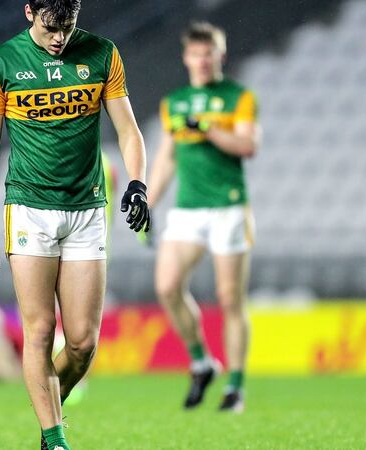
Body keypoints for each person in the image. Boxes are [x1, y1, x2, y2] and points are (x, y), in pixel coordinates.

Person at [0, 1, 149, 448]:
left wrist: (137, 183)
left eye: (68, 27)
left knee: (83, 343)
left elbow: (127, 128)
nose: (59, 37)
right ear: (29, 12)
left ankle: (49, 411)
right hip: (29, 208)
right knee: (41, 330)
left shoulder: (102, 53)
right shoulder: (1, 63)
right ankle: (54, 437)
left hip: (87, 208)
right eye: (51, 27)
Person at [146, 22, 260, 413]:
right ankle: (201, 361)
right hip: (188, 209)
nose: (203, 59)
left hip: (228, 206)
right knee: (166, 286)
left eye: (210, 52)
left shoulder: (238, 97)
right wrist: (148, 199)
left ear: (220, 55)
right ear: (186, 57)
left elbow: (247, 145)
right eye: (197, 53)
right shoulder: (173, 102)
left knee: (230, 299)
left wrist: (209, 129)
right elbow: (166, 158)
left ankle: (235, 387)